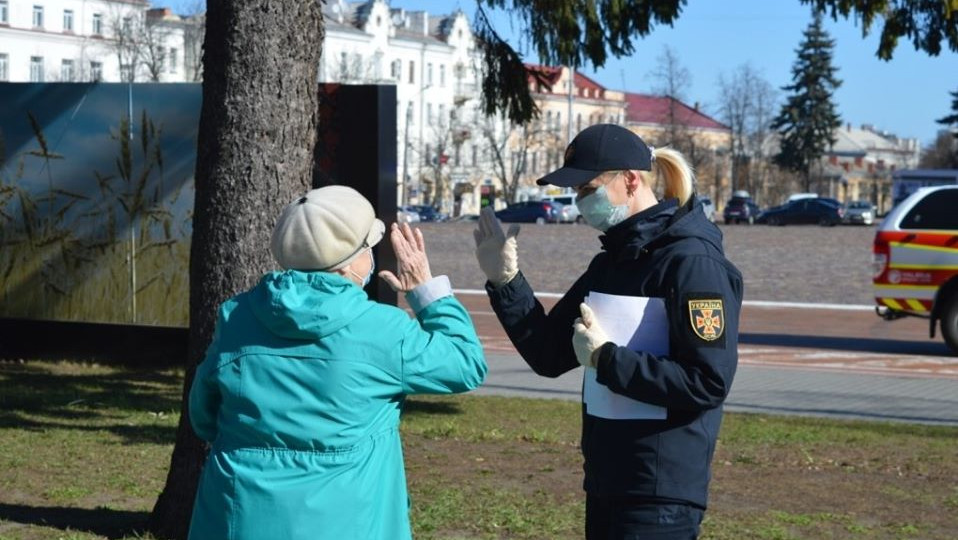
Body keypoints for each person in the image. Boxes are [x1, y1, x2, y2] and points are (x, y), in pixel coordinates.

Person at [473, 123, 743, 539]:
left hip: (659, 494)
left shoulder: (691, 263)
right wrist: (507, 283)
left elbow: (707, 381)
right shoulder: (612, 262)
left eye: (588, 187)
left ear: (630, 180)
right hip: (608, 482)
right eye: (577, 192)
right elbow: (548, 355)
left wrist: (607, 359)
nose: (581, 201)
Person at [188, 185, 487, 539]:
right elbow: (465, 364)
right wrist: (427, 291)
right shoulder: (383, 329)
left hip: (240, 515)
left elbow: (203, 415)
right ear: (351, 261)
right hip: (349, 517)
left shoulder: (236, 316)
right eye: (369, 247)